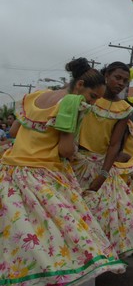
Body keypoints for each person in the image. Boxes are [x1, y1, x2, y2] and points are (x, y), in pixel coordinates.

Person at [0, 58, 126, 284]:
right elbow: (65, 149)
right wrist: (75, 148)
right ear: (79, 85)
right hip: (43, 173)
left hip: (10, 171)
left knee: (14, 232)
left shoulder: (36, 96)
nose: (93, 102)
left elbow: (13, 131)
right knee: (60, 234)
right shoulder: (71, 103)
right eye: (93, 96)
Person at [72, 61, 133, 256]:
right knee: (73, 209)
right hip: (74, 160)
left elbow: (114, 144)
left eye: (125, 80)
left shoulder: (124, 108)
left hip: (102, 165)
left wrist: (104, 173)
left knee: (104, 213)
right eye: (117, 77)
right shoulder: (89, 96)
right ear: (106, 76)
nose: (121, 83)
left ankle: (99, 256)